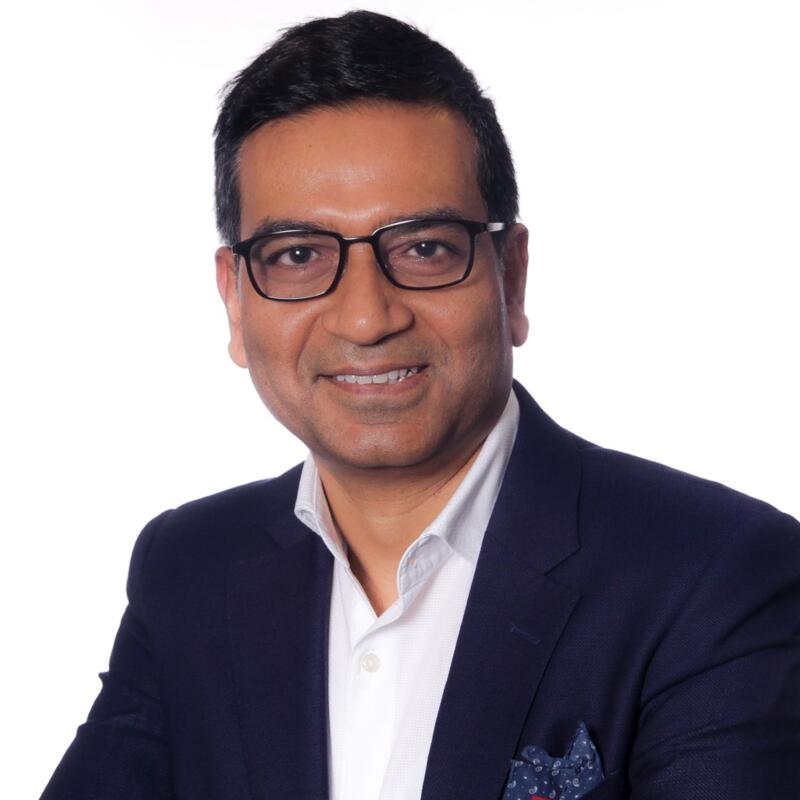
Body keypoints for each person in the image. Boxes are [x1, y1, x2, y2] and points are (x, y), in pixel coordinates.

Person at [41, 10, 799, 800]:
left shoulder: (717, 575)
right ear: (235, 300)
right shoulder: (189, 569)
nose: (366, 318)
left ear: (511, 278)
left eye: (424, 248)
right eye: (298, 255)